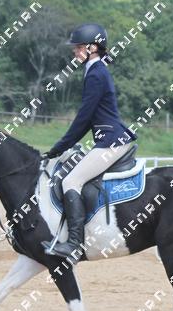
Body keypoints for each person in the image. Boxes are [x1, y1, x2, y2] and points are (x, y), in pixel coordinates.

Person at [43, 23, 137, 261]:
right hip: (110, 138)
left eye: (78, 47)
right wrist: (62, 146)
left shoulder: (96, 73)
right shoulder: (94, 70)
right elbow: (87, 119)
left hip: (111, 141)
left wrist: (60, 146)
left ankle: (74, 244)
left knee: (70, 181)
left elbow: (84, 118)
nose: (74, 51)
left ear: (93, 48)